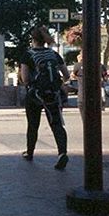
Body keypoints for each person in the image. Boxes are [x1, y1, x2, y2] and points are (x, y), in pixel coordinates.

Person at [20, 26, 70, 170]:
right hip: (52, 94)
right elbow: (66, 75)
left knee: (33, 124)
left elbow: (25, 78)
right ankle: (62, 153)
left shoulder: (28, 54)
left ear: (33, 39)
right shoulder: (54, 54)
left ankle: (29, 152)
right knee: (56, 124)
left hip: (35, 94)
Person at [72, 51, 107, 118]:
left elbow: (72, 76)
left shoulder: (78, 66)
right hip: (96, 97)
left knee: (85, 120)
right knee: (95, 120)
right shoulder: (100, 66)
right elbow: (105, 78)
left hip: (82, 97)